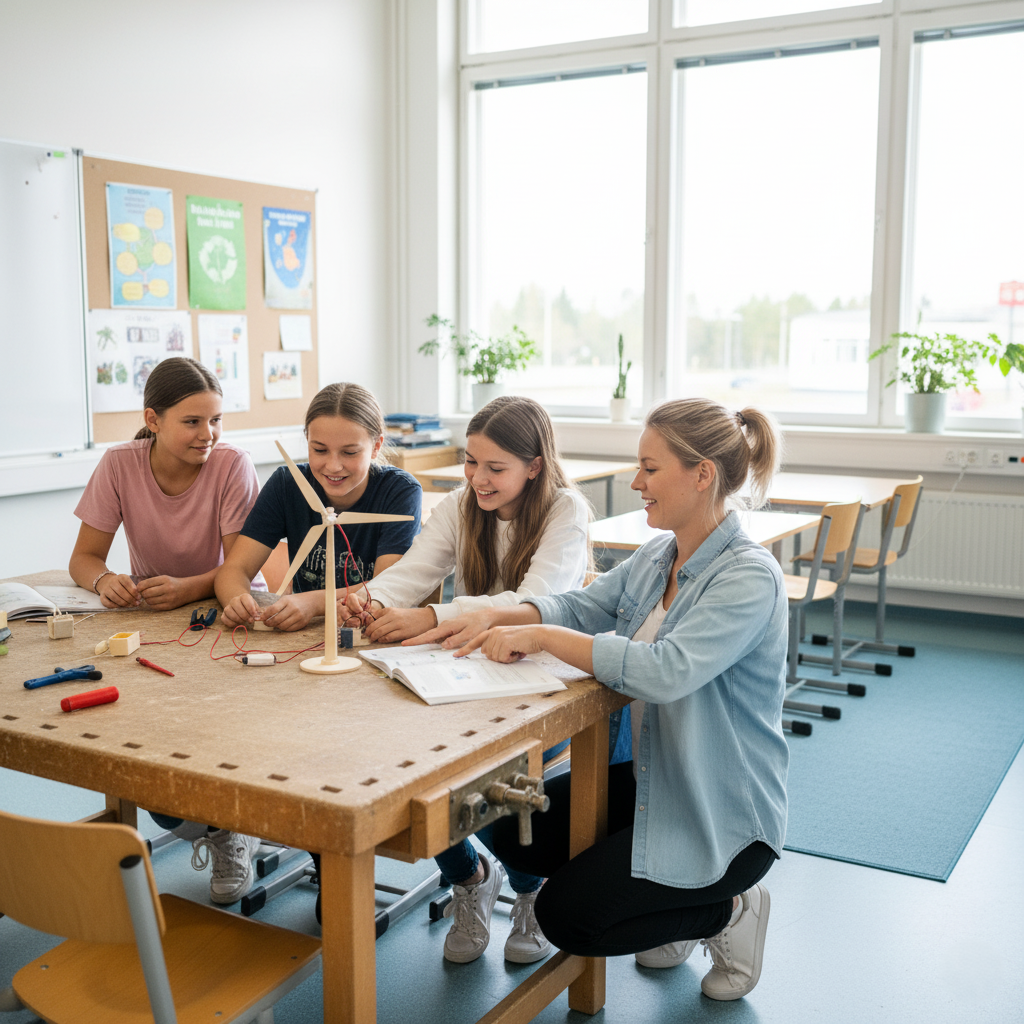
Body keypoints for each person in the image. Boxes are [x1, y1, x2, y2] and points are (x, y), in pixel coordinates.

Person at [445, 398, 789, 1002]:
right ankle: (685, 898)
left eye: (650, 469)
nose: (637, 483)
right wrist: (505, 614)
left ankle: (727, 909)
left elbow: (664, 672)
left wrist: (543, 635)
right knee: (508, 823)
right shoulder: (661, 554)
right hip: (660, 778)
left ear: (702, 474)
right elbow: (582, 605)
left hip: (721, 812)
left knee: (568, 918)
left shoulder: (748, 577)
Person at [344, 395, 590, 965]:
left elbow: (534, 602)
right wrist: (368, 602)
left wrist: (432, 617)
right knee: (417, 764)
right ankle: (470, 877)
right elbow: (412, 573)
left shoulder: (566, 510)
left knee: (511, 774)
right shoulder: (461, 504)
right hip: (471, 665)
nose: (478, 478)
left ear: (535, 466)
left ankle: (529, 892)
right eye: (471, 462)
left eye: (495, 468)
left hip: (545, 671)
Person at [70, 356, 266, 905]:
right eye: (193, 422)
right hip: (155, 622)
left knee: (219, 733)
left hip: (225, 616)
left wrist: (187, 588)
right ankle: (218, 827)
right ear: (152, 419)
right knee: (151, 748)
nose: (209, 435)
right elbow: (83, 558)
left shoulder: (232, 464)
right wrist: (105, 579)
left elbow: (240, 568)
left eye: (216, 420)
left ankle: (232, 829)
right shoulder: (118, 464)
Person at [215, 382, 421, 631]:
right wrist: (236, 599)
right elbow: (234, 569)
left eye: (350, 452)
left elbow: (385, 585)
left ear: (376, 446)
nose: (333, 466)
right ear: (307, 440)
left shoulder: (400, 491)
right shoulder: (287, 484)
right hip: (302, 633)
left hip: (367, 631)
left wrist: (314, 603)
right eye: (319, 450)